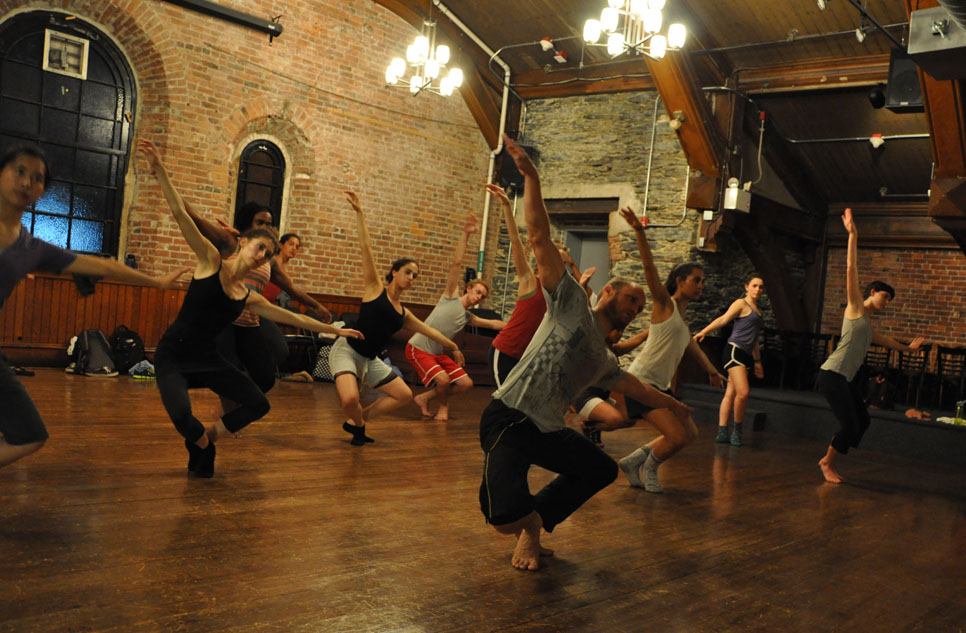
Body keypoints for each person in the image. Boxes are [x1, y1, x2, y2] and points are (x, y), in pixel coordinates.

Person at [479, 136, 691, 571]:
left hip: (547, 428)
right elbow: (538, 236)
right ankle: (526, 526)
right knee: (501, 519)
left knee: (601, 469)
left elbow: (635, 387)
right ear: (608, 292)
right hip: (509, 416)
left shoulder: (604, 359)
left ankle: (534, 525)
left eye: (638, 307)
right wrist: (531, 178)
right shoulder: (571, 302)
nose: (635, 311)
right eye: (631, 301)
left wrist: (673, 404)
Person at [138, 139, 362, 477]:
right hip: (174, 356)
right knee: (183, 415)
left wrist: (335, 330)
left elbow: (291, 316)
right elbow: (182, 216)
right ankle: (200, 443)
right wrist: (161, 173)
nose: (262, 255)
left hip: (208, 360)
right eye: (259, 247)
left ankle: (208, 439)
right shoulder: (210, 261)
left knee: (259, 402)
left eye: (268, 254)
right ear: (242, 242)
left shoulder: (247, 296)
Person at [0, 144, 187, 470]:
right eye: (19, 171)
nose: (27, 182)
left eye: (38, 177)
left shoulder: (30, 248)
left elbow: (105, 267)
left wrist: (155, 282)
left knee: (29, 434)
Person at [336, 191, 464, 445]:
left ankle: (358, 423)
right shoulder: (375, 289)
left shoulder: (403, 314)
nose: (412, 278)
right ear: (394, 272)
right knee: (349, 399)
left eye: (415, 276)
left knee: (404, 395)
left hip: (369, 359)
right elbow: (366, 248)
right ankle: (358, 426)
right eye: (408, 272)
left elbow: (430, 332)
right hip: (347, 350)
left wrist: (453, 346)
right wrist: (360, 213)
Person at [615, 208, 725, 493]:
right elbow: (650, 270)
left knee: (690, 433)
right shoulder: (665, 305)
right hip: (641, 382)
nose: (701, 285)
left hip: (659, 386)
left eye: (702, 281)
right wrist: (640, 232)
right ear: (680, 281)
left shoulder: (682, 318)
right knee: (676, 435)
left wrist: (711, 371)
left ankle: (633, 461)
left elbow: (689, 345)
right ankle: (650, 466)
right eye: (696, 280)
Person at [181, 200, 333, 401]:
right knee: (230, 367)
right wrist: (170, 189)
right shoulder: (231, 242)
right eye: (260, 222)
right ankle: (226, 410)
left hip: (253, 317)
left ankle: (239, 392)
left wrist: (317, 306)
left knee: (279, 350)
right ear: (247, 223)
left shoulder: (268, 258)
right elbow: (197, 220)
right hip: (226, 317)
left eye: (269, 224)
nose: (267, 228)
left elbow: (291, 288)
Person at [816, 208, 924, 484]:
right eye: (885, 297)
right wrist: (853, 235)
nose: (886, 302)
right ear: (873, 293)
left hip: (845, 378)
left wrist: (908, 349)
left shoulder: (866, 324)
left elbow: (884, 341)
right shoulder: (855, 309)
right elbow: (851, 269)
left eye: (889, 299)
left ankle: (833, 452)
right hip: (832, 375)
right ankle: (827, 462)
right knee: (850, 424)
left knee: (863, 421)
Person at [407, 212, 506, 421]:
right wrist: (466, 235)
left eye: (483, 296)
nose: (479, 297)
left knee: (466, 384)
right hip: (419, 348)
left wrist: (518, 325)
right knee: (443, 380)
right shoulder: (450, 297)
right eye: (478, 292)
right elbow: (456, 264)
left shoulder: (468, 316)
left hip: (437, 352)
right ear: (468, 288)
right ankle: (443, 408)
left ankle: (424, 398)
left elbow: (494, 324)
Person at [694, 272, 766, 446]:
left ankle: (722, 431)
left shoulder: (759, 311)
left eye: (761, 287)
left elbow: (755, 339)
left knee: (731, 393)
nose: (757, 289)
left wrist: (757, 362)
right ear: (746, 287)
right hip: (734, 350)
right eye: (754, 285)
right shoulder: (741, 303)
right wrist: (705, 331)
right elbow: (724, 319)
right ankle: (737, 430)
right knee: (743, 392)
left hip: (747, 355)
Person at [486, 184, 546, 388]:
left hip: (527, 356)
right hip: (505, 350)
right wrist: (507, 206)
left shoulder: (558, 292)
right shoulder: (530, 280)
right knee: (505, 400)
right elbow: (515, 242)